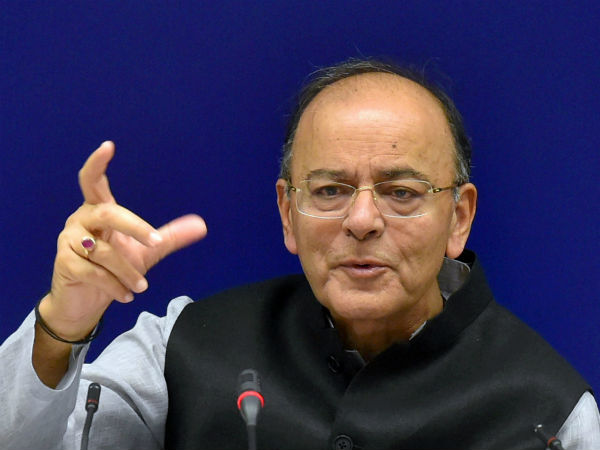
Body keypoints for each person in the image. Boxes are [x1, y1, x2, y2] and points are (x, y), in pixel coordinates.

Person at [1, 59, 599, 450]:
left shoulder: (550, 411)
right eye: (331, 191)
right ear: (288, 214)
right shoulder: (178, 349)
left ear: (459, 218)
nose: (361, 221)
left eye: (401, 192)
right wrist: (64, 323)